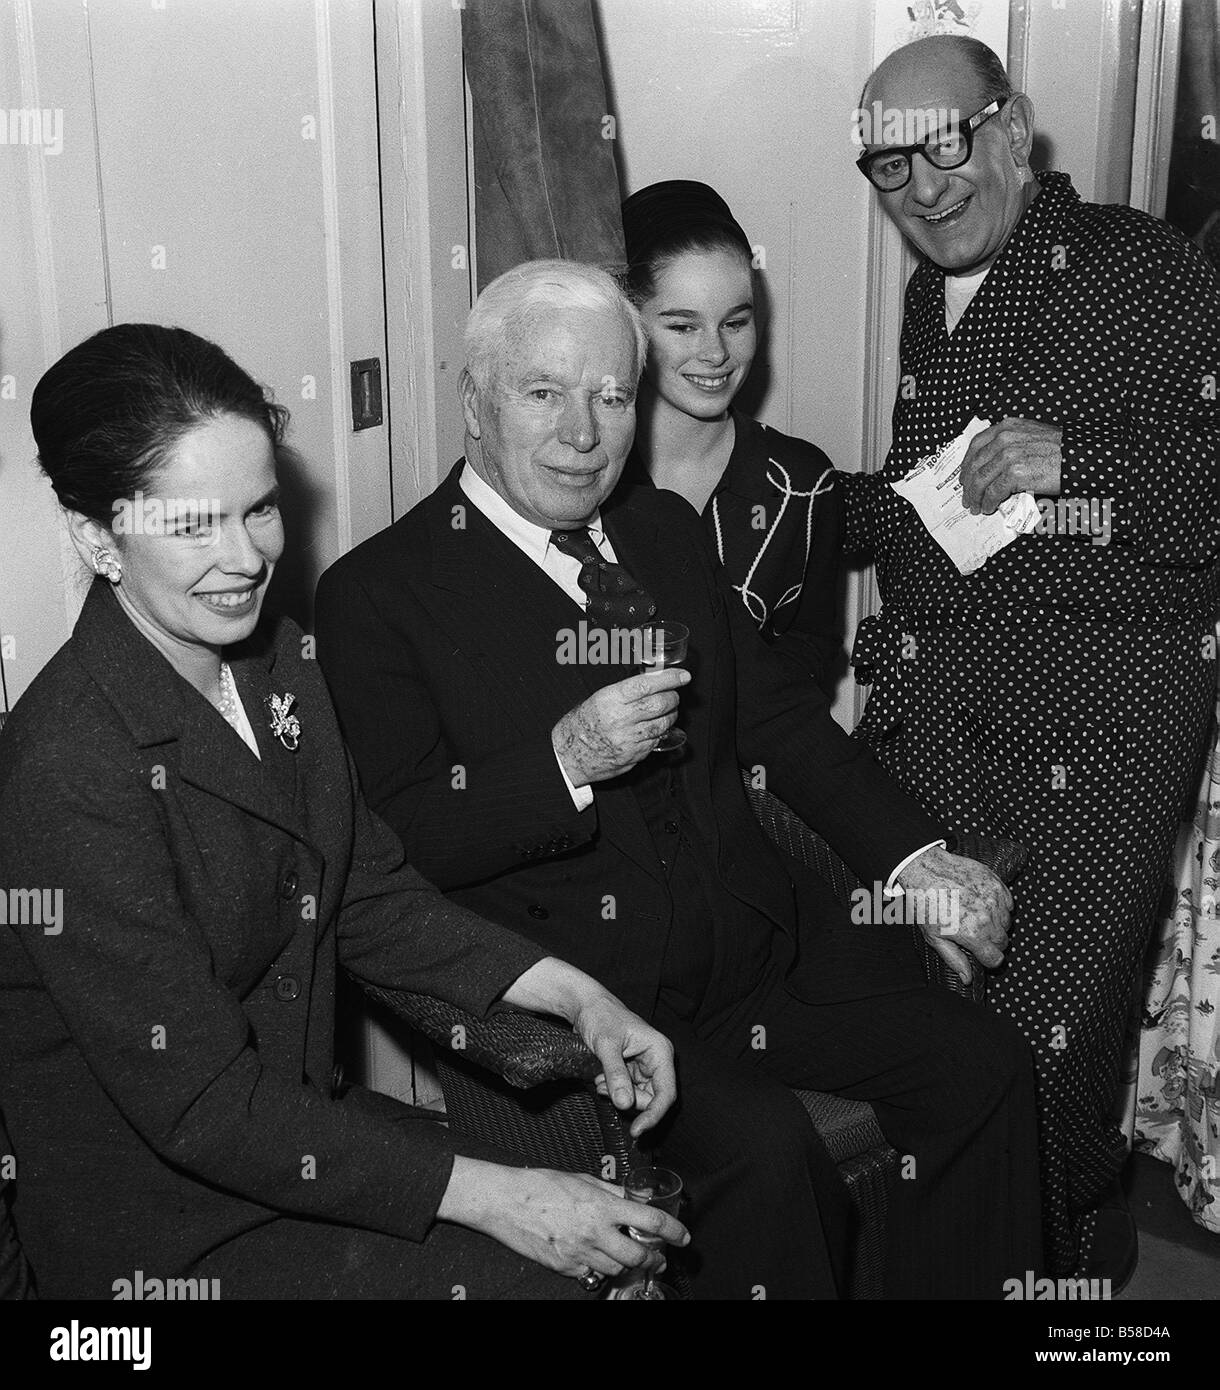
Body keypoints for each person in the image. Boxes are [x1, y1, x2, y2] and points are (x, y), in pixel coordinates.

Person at [315, 258, 1045, 1299]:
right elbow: (398, 846)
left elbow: (780, 720)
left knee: (982, 1070)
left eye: (612, 395)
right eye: (543, 392)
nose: (584, 432)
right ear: (474, 403)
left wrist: (917, 861)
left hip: (760, 953)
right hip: (595, 1002)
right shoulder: (376, 595)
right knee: (769, 1158)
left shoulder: (656, 528)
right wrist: (561, 762)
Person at [0, 323, 687, 1301]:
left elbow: (366, 894)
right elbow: (200, 1105)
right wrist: (501, 1197)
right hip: (169, 1229)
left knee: (623, 1252)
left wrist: (576, 994)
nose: (246, 557)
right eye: (195, 523)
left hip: (301, 1141)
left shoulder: (280, 659)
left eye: (261, 509)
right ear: (95, 536)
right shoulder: (68, 764)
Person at [848, 34, 1220, 1281]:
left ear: (1010, 127)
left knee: (1053, 1042)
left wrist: (1085, 467)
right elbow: (933, 513)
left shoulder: (1140, 268)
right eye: (887, 164)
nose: (921, 187)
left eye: (944, 144)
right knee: (948, 1021)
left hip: (1105, 722)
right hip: (950, 710)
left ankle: (1057, 1285)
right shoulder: (925, 299)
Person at [620, 180, 844, 693]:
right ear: (629, 324)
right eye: (682, 327)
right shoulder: (587, 473)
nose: (716, 352)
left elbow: (810, 648)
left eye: (735, 322)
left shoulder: (803, 483)